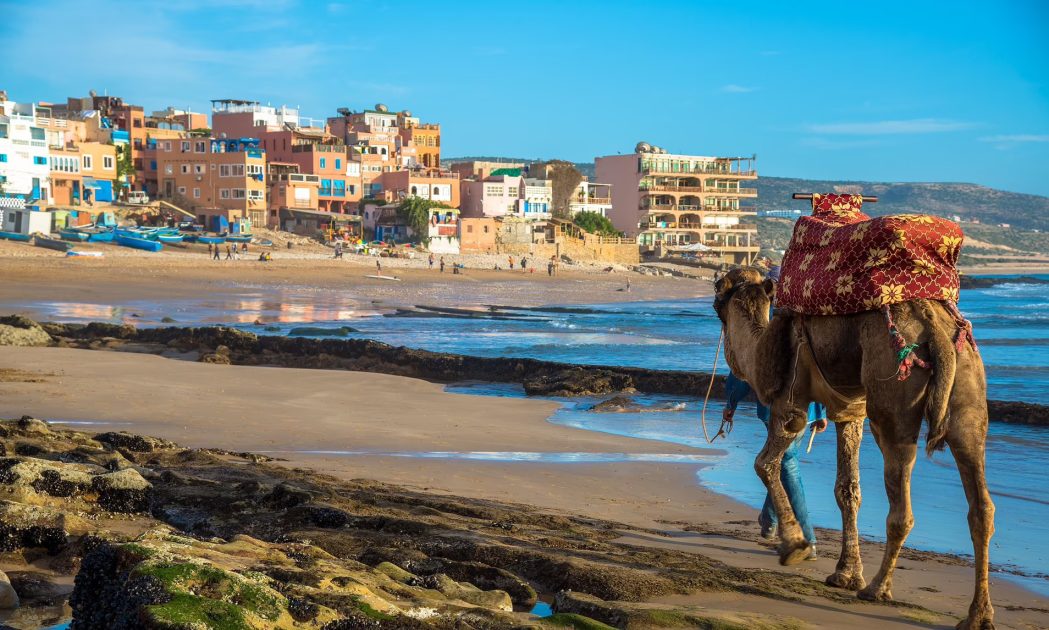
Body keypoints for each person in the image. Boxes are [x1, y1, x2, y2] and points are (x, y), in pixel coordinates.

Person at [724, 375, 827, 556]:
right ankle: (769, 520)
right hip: (807, 409)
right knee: (780, 462)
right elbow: (816, 370)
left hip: (777, 410)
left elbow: (743, 372)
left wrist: (731, 403)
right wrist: (821, 412)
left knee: (787, 465)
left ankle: (807, 539)